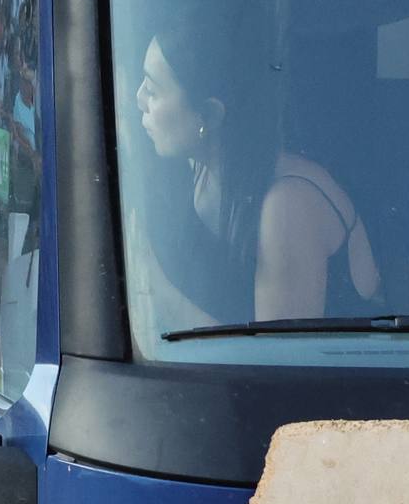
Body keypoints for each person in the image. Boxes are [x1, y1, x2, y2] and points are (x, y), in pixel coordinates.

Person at [132, 26, 382, 324]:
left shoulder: (288, 207)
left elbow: (277, 359)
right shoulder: (201, 164)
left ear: (209, 116)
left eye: (153, 89)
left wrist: (155, 287)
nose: (139, 99)